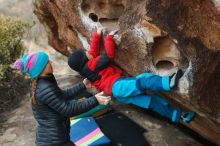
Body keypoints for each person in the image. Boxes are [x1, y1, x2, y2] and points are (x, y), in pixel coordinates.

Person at [68, 27, 195, 124]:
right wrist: (109, 39)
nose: (88, 51)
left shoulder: (86, 69)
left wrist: (97, 35)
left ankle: (180, 116)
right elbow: (108, 56)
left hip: (119, 94)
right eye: (85, 52)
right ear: (85, 59)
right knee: (143, 80)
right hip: (118, 86)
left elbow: (92, 52)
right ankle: (167, 83)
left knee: (152, 102)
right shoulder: (91, 65)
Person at [13, 51, 111, 146]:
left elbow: (61, 95)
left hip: (53, 139)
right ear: (41, 68)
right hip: (54, 141)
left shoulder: (44, 81)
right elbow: (68, 110)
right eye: (47, 62)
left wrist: (82, 85)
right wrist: (95, 100)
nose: (51, 62)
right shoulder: (45, 87)